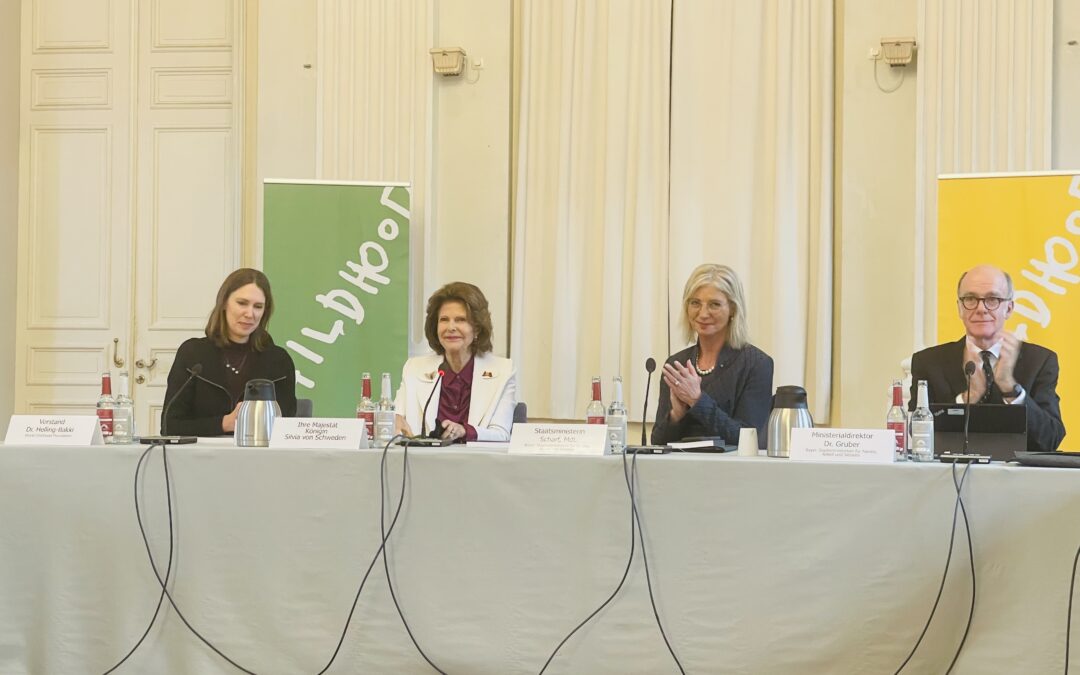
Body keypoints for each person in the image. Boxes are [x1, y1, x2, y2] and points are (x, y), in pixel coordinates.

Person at [909, 264, 1065, 451]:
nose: (981, 308)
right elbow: (916, 433)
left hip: (1017, 469)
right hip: (950, 468)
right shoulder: (928, 362)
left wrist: (1010, 389)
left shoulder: (1039, 361)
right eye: (970, 299)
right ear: (960, 308)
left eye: (992, 299)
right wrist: (968, 398)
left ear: (1009, 308)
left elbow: (1050, 439)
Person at [162, 268, 297, 436]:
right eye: (242, 303)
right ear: (224, 303)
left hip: (259, 451)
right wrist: (224, 423)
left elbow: (287, 428)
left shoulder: (279, 360)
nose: (250, 314)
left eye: (258, 306)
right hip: (203, 452)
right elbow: (170, 426)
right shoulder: (192, 354)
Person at [651, 264, 774, 446]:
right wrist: (676, 415)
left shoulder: (756, 364)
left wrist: (697, 401)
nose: (703, 314)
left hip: (730, 465)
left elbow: (749, 440)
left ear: (733, 309)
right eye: (695, 303)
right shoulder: (677, 363)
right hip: (681, 464)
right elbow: (657, 443)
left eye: (714, 304)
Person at [395, 282, 516, 443]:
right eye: (444, 320)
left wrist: (464, 431)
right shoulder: (414, 368)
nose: (451, 327)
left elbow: (501, 434)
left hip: (478, 459)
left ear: (477, 328)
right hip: (423, 459)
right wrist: (394, 420)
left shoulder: (503, 371)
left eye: (460, 320)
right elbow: (396, 416)